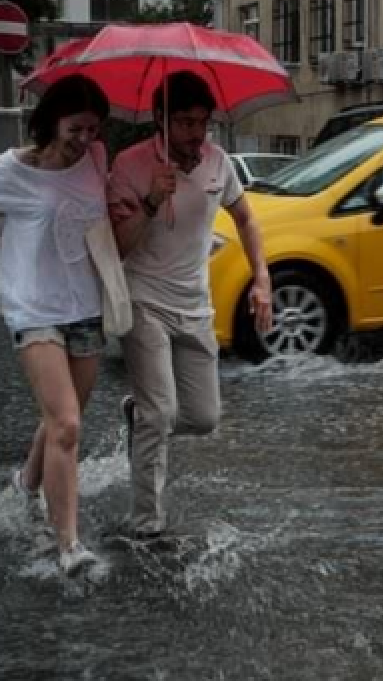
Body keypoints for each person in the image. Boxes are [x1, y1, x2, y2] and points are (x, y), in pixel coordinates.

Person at [0, 75, 111, 576]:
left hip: (85, 305)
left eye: (94, 129)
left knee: (62, 418)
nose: (85, 139)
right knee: (68, 424)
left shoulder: (96, 161)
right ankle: (69, 545)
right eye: (76, 128)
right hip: (33, 309)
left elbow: (98, 219)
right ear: (52, 121)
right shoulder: (15, 167)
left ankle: (27, 483)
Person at [108, 71, 273, 540]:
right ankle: (146, 528)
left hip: (194, 305)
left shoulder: (219, 163)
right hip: (143, 300)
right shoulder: (130, 165)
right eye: (183, 123)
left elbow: (245, 218)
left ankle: (138, 416)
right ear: (161, 122)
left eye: (203, 123)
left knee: (202, 418)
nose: (195, 134)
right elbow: (119, 245)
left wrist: (262, 277)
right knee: (160, 415)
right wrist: (151, 200)